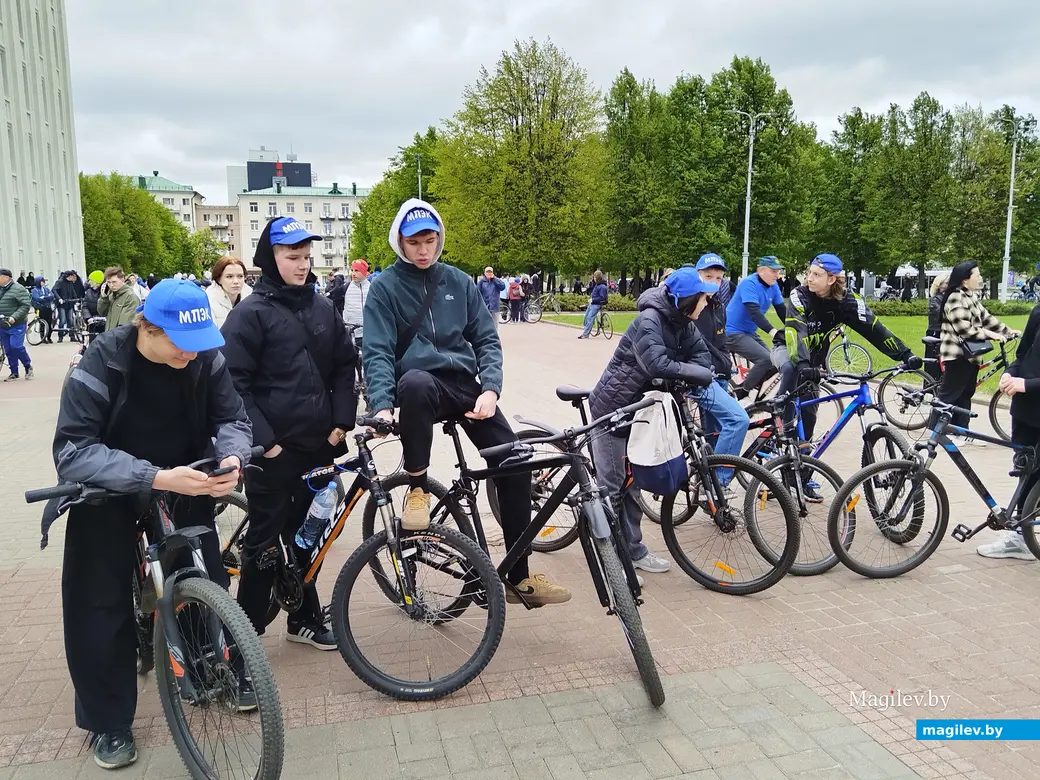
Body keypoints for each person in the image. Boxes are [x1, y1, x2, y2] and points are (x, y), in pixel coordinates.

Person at [48, 278, 251, 769]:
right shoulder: (104, 359)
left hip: (184, 477)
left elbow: (235, 420)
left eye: (199, 345)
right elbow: (72, 450)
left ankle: (208, 668)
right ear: (148, 328)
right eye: (181, 345)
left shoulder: (203, 354)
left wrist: (231, 459)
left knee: (207, 575)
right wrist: (152, 476)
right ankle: (108, 720)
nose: (192, 355)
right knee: (96, 597)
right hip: (109, 487)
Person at [363, 198, 570, 605]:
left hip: (464, 386)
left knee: (514, 462)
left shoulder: (459, 281)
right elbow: (378, 351)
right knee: (418, 383)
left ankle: (517, 575)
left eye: (429, 240)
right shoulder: (385, 288)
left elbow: (487, 340)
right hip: (419, 388)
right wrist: (382, 405)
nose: (423, 250)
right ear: (399, 243)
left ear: (438, 240)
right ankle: (418, 489)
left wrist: (490, 389)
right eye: (413, 242)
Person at [221, 216, 358, 647]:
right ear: (271, 257)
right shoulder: (250, 314)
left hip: (319, 446)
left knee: (306, 535)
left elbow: (343, 365)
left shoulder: (322, 306)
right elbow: (231, 383)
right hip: (273, 453)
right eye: (291, 256)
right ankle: (245, 636)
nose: (302, 265)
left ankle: (303, 617)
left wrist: (341, 422)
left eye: (306, 256)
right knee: (263, 544)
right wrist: (266, 443)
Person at [588, 267, 717, 573]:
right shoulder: (650, 320)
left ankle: (633, 549)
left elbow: (702, 355)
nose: (706, 304)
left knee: (633, 483)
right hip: (615, 410)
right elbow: (656, 364)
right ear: (686, 301)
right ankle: (610, 559)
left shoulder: (683, 321)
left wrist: (697, 370)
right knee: (613, 486)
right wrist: (694, 372)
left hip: (642, 413)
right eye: (702, 298)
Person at [773, 254, 921, 471]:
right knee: (789, 370)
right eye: (809, 273)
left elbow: (874, 328)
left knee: (810, 414)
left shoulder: (847, 300)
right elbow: (796, 332)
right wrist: (804, 365)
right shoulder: (799, 295)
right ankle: (781, 423)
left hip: (812, 363)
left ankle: (801, 470)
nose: (809, 278)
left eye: (816, 274)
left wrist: (905, 354)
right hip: (788, 349)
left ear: (832, 279)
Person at [978, 304, 1040, 560]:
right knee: (1026, 472)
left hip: (1030, 394)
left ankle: (1023, 534)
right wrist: (1009, 373)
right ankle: (1020, 537)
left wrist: (1026, 384)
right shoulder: (1038, 312)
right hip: (1025, 411)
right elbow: (1024, 353)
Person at [931, 261, 1017, 438]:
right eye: (977, 275)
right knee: (949, 394)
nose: (980, 278)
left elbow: (987, 318)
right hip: (957, 354)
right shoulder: (956, 297)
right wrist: (989, 334)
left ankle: (961, 432)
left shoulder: (970, 296)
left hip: (971, 355)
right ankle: (935, 431)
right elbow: (963, 328)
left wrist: (1008, 331)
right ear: (964, 279)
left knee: (966, 393)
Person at [690, 255, 750, 486]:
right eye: (708, 277)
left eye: (718, 278)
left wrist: (727, 366)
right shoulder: (691, 304)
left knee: (714, 436)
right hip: (702, 378)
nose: (714, 282)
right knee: (737, 420)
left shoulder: (717, 306)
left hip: (720, 377)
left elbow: (720, 342)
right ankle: (718, 483)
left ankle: (707, 488)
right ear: (698, 276)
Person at [726, 256, 787, 400]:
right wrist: (773, 332)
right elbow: (754, 312)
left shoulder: (773, 286)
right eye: (773, 271)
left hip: (748, 332)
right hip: (732, 331)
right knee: (765, 360)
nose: (777, 275)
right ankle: (742, 392)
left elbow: (781, 310)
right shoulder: (749, 283)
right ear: (760, 270)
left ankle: (750, 385)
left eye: (778, 271)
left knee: (775, 361)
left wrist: (795, 327)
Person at [0, 268, 34, 380]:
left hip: (16, 323)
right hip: (2, 324)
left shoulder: (19, 289)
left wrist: (14, 317)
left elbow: (25, 305)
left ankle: (27, 366)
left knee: (16, 346)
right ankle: (14, 371)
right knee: (8, 349)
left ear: (6, 277)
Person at [343, 259, 371, 393]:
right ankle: (357, 382)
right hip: (352, 332)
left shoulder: (371, 288)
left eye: (357, 270)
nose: (353, 273)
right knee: (353, 361)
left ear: (365, 273)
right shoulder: (347, 288)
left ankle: (368, 391)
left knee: (367, 361)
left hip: (368, 332)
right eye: (352, 270)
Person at [206, 255, 252, 329]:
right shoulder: (208, 302)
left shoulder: (251, 298)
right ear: (218, 279)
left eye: (240, 276)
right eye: (229, 277)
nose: (236, 281)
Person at [97, 266, 141, 331]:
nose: (111, 285)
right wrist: (104, 298)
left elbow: (125, 327)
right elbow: (102, 312)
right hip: (111, 335)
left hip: (119, 338)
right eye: (109, 282)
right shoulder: (111, 295)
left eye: (114, 282)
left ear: (122, 280)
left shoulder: (130, 297)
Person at [925, 273, 948, 383]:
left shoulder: (948, 298)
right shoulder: (935, 299)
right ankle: (930, 390)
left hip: (946, 334)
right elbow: (941, 315)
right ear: (939, 285)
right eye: (946, 283)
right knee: (933, 365)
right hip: (936, 333)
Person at [53, 270, 85, 343]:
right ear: (68, 276)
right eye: (72, 276)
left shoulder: (70, 283)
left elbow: (73, 291)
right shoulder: (59, 282)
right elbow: (54, 290)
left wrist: (76, 300)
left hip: (69, 304)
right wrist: (59, 299)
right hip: (62, 304)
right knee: (63, 320)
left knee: (70, 321)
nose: (73, 278)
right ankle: (60, 336)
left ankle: (72, 336)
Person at [578, 270, 608, 339]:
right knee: (586, 317)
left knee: (589, 318)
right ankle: (586, 330)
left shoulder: (602, 287)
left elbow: (602, 297)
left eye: (594, 277)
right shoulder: (597, 285)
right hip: (592, 303)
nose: (593, 278)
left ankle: (585, 334)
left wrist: (593, 300)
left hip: (596, 304)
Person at [476, 266, 506, 331]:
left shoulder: (496, 281)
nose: (489, 274)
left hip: (495, 307)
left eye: (490, 272)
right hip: (485, 307)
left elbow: (502, 287)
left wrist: (494, 279)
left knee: (495, 326)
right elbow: (477, 293)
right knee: (485, 326)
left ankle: (494, 339)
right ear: (484, 273)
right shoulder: (482, 282)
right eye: (487, 272)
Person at [31, 275, 55, 344]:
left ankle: (49, 337)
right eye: (42, 281)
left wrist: (44, 297)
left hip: (48, 308)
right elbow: (37, 298)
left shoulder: (46, 289)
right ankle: (42, 338)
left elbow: (52, 296)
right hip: (41, 309)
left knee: (50, 323)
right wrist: (47, 298)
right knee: (42, 324)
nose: (43, 283)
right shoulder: (34, 290)